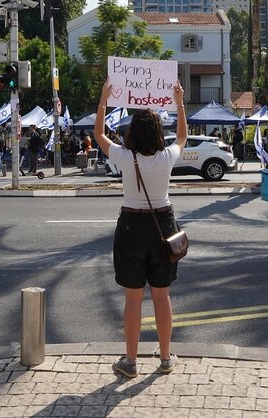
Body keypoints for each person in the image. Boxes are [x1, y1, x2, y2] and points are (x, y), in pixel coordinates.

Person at [94, 80, 187, 378]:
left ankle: (131, 362)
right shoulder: (166, 157)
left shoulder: (124, 156)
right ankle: (165, 358)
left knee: (133, 299)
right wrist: (180, 102)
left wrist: (103, 101)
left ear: (133, 131)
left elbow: (98, 134)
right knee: (162, 296)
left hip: (131, 225)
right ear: (159, 132)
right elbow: (183, 137)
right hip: (163, 224)